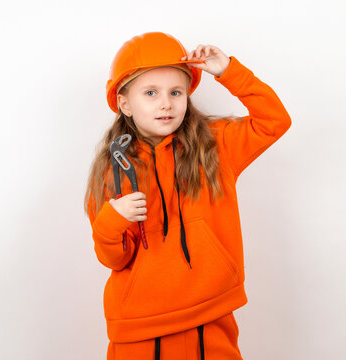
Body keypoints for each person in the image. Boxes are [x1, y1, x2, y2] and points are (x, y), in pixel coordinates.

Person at [84, 31, 292, 360]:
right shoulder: (113, 170)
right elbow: (114, 258)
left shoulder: (217, 145)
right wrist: (113, 220)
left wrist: (229, 71)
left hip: (211, 316)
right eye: (150, 92)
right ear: (124, 103)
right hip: (140, 327)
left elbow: (274, 121)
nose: (166, 102)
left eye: (176, 91)